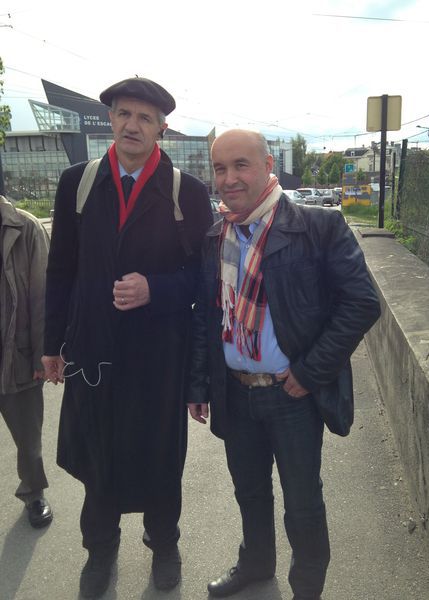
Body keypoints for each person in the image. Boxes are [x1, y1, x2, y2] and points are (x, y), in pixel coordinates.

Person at [187, 129, 381, 600]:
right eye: (219, 168)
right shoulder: (218, 234)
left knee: (302, 504)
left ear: (268, 165)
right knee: (249, 493)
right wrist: (198, 384)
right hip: (234, 391)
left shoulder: (318, 226)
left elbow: (361, 303)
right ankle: (255, 565)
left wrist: (310, 372)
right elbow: (207, 313)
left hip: (291, 395)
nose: (229, 178)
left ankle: (306, 590)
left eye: (241, 165)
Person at [42, 77, 212, 599]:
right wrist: (51, 344)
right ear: (110, 120)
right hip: (93, 349)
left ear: (162, 126)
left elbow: (203, 283)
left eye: (144, 117)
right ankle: (100, 550)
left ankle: (164, 544)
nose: (131, 125)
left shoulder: (187, 191)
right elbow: (61, 269)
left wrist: (154, 289)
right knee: (98, 454)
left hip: (160, 356)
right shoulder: (78, 182)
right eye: (123, 114)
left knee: (161, 455)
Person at [0, 195, 52, 529]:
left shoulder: (25, 227)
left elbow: (43, 296)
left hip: (15, 354)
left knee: (28, 439)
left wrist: (41, 355)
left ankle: (33, 492)